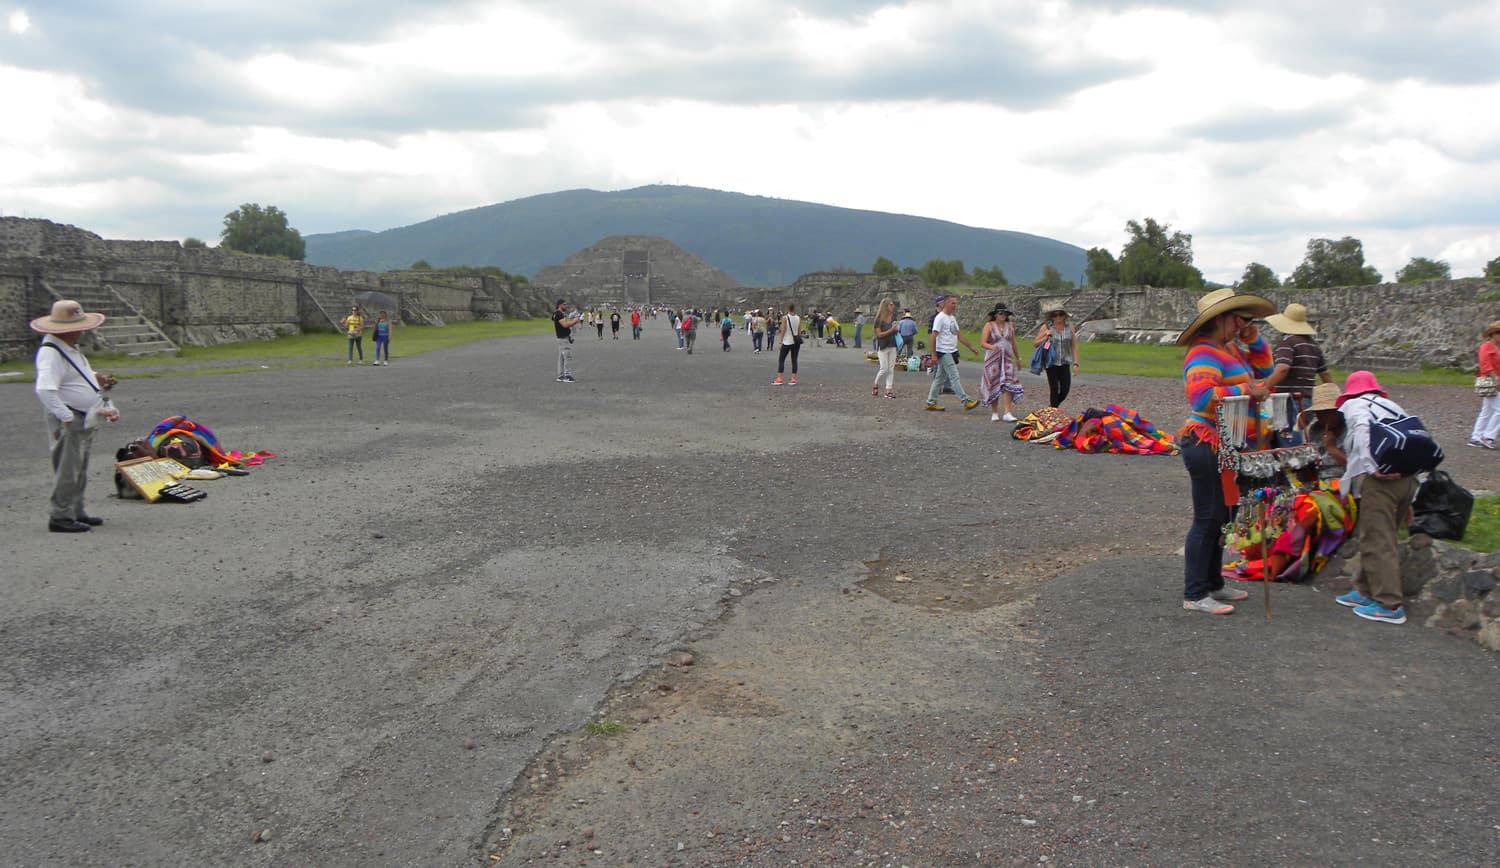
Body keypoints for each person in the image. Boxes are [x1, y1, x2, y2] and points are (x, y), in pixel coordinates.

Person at [1175, 288, 1276, 614]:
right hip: (1206, 441)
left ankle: (1213, 583)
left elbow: (1264, 370)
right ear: (1221, 319)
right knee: (1207, 517)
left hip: (1226, 443)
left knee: (1223, 515)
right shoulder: (1203, 352)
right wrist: (1247, 390)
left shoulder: (1230, 348)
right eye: (1240, 319)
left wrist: (1254, 338)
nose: (1243, 325)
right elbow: (1202, 397)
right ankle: (1195, 592)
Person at [1323, 371, 1421, 625]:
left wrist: (1372, 465)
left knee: (1378, 539)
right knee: (1375, 535)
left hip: (1381, 480)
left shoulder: (1355, 406)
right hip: (1407, 478)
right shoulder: (1391, 406)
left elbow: (1364, 433)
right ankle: (1365, 590)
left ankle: (1389, 604)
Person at [32, 299, 119, 533]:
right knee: (68, 467)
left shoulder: (67, 348)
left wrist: (93, 377)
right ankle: (60, 515)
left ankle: (76, 510)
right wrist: (65, 416)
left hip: (84, 415)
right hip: (70, 417)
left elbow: (71, 375)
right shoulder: (51, 353)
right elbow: (44, 389)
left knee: (79, 467)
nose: (82, 330)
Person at [1263, 302, 1332, 444]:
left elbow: (1282, 368)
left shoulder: (1287, 343)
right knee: (1301, 437)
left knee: (1288, 441)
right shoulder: (1313, 346)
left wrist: (1265, 387)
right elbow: (1326, 376)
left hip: (1288, 400)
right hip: (1307, 400)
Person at [924, 295, 981, 412]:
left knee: (940, 378)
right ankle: (965, 400)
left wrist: (971, 347)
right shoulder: (940, 318)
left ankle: (931, 402)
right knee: (954, 376)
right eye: (953, 303)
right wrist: (933, 354)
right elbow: (933, 336)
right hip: (943, 351)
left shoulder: (952, 318)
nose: (955, 306)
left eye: (956, 303)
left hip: (951, 351)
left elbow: (959, 335)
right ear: (946, 303)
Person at [978, 303, 1023, 422]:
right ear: (996, 315)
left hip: (1007, 358)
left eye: (1005, 313)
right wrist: (991, 347)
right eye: (1000, 313)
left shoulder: (1010, 325)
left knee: (1009, 384)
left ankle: (1007, 412)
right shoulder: (989, 325)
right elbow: (983, 342)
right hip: (993, 359)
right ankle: (994, 412)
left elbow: (1013, 343)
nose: (1003, 315)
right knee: (994, 383)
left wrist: (1018, 359)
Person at [1031, 307, 1078, 407]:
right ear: (1052, 317)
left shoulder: (1070, 327)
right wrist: (1045, 336)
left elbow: (1073, 345)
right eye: (1055, 315)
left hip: (1065, 362)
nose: (1058, 317)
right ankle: (1054, 412)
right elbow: (1035, 343)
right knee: (1054, 388)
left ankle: (1052, 408)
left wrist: (1075, 363)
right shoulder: (1047, 327)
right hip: (1051, 362)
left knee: (1065, 389)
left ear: (1064, 315)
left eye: (1060, 314)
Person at [1467, 320, 1500, 448]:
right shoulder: (1486, 347)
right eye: (1498, 332)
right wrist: (1495, 378)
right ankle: (1488, 437)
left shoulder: (1496, 348)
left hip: (1493, 381)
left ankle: (1476, 437)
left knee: (1487, 410)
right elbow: (1485, 364)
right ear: (1492, 334)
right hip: (1490, 381)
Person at [871, 299, 899, 398]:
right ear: (886, 306)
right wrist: (891, 330)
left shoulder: (894, 317)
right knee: (884, 368)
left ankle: (889, 389)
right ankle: (875, 383)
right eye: (891, 305)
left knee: (891, 369)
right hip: (883, 345)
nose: (893, 306)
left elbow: (895, 330)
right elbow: (879, 334)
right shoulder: (878, 320)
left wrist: (896, 330)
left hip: (892, 344)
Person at [553, 299, 580, 383]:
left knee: (561, 357)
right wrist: (574, 321)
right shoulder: (558, 314)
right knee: (567, 356)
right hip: (563, 338)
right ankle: (567, 375)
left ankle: (560, 375)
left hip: (563, 337)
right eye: (564, 304)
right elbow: (565, 325)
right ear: (560, 305)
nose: (566, 306)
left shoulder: (557, 314)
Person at [774, 303, 802, 386]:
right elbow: (799, 330)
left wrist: (780, 341)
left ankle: (779, 378)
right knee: (794, 360)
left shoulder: (785, 318)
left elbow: (783, 330)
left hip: (787, 341)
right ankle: (793, 378)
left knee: (781, 359)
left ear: (788, 308)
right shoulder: (798, 318)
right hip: (796, 341)